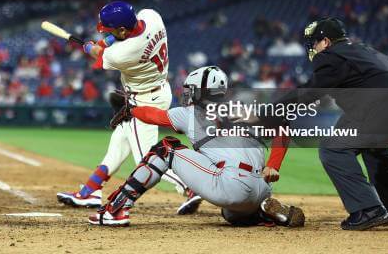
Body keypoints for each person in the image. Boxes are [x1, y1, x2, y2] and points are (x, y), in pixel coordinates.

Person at [88, 66, 305, 227]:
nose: (187, 94)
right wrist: (274, 165)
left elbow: (153, 115)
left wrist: (130, 109)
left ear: (201, 91)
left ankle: (116, 209)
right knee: (229, 213)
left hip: (232, 186)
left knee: (166, 149)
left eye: (191, 89)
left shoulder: (189, 114)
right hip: (262, 187)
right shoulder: (245, 109)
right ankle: (263, 211)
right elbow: (283, 127)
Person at [57, 1, 202, 215]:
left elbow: (100, 54)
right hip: (161, 90)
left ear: (123, 29)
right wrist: (108, 39)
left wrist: (88, 46)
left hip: (142, 103)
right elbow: (121, 36)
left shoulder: (122, 54)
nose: (108, 33)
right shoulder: (152, 17)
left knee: (149, 158)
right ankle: (89, 191)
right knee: (118, 144)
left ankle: (191, 187)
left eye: (110, 30)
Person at [293, 17, 388, 230]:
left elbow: (310, 92)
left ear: (327, 42)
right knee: (372, 145)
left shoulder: (330, 56)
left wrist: (265, 113)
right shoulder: (370, 52)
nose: (313, 48)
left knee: (332, 148)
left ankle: (368, 209)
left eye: (315, 43)